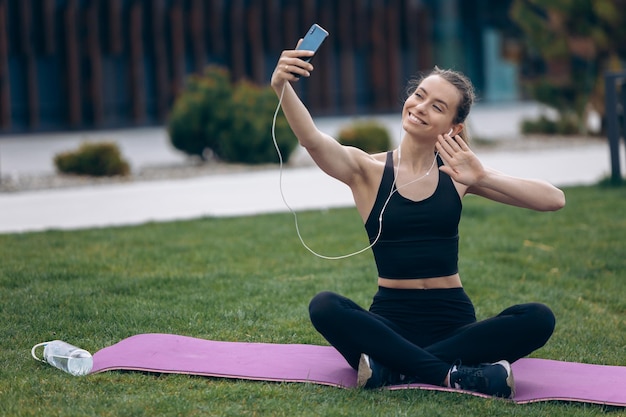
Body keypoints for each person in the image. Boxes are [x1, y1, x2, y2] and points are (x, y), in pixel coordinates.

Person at [270, 42, 566, 398]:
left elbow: (554, 200)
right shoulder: (367, 170)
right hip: (389, 323)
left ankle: (391, 368)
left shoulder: (459, 174)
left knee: (538, 317)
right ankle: (454, 375)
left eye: (437, 107)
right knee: (325, 306)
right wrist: (281, 87)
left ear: (454, 127)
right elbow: (312, 141)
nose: (421, 107)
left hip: (454, 322)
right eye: (420, 96)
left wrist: (482, 176)